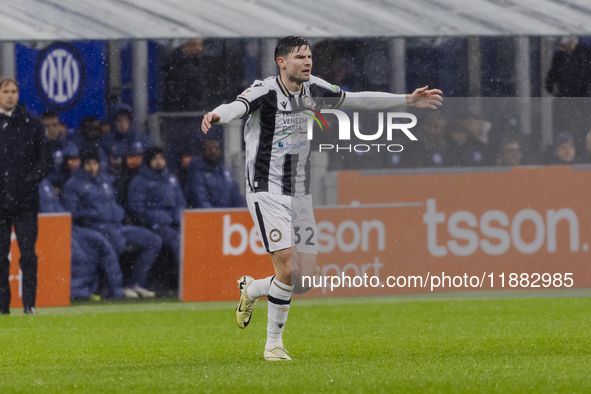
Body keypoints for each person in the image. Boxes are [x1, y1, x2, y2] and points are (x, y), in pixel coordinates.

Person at [201, 36, 442, 360]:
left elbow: (358, 99)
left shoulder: (314, 88)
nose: (307, 61)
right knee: (286, 266)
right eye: (300, 57)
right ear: (281, 62)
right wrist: (216, 116)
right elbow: (236, 107)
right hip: (266, 190)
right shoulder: (265, 90)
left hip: (300, 192)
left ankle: (253, 288)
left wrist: (406, 101)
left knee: (304, 279)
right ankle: (273, 345)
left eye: (310, 56)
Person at [61, 147, 162, 298]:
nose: (92, 168)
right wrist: (93, 215)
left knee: (154, 241)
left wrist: (118, 213)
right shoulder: (73, 184)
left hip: (116, 226)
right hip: (92, 227)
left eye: (95, 164)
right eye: (88, 164)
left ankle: (136, 283)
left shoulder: (106, 182)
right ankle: (115, 289)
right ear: (81, 165)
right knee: (116, 243)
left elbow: (113, 204)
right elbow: (70, 214)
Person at [0, 78, 52, 315]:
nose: (10, 95)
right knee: (1, 256)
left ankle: (29, 305)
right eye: (5, 91)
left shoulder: (32, 124)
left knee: (28, 254)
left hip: (25, 202)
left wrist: (28, 182)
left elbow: (45, 161)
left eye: (13, 91)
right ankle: (3, 307)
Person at [38, 178, 133, 300]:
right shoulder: (34, 183)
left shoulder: (45, 182)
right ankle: (77, 292)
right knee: (79, 254)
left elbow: (60, 210)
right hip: (47, 230)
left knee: (102, 243)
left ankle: (116, 291)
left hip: (66, 227)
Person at [127, 147, 186, 266]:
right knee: (178, 240)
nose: (159, 161)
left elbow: (180, 202)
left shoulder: (171, 179)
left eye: (161, 158)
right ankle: (188, 278)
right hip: (155, 225)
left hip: (174, 223)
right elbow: (136, 207)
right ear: (148, 161)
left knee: (196, 238)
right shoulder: (140, 181)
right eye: (155, 159)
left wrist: (177, 219)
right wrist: (157, 218)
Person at [101, 106, 154, 204]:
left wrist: (125, 161)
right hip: (116, 179)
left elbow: (152, 159)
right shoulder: (106, 141)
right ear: (113, 122)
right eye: (119, 121)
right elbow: (102, 164)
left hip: (140, 178)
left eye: (126, 120)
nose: (123, 124)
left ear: (130, 121)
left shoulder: (142, 139)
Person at [184, 138, 246, 208]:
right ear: (203, 152)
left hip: (227, 216)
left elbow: (236, 196)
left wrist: (244, 211)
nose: (213, 151)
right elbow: (201, 200)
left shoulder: (225, 172)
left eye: (216, 148)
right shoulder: (196, 173)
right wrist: (216, 215)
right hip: (206, 216)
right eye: (209, 148)